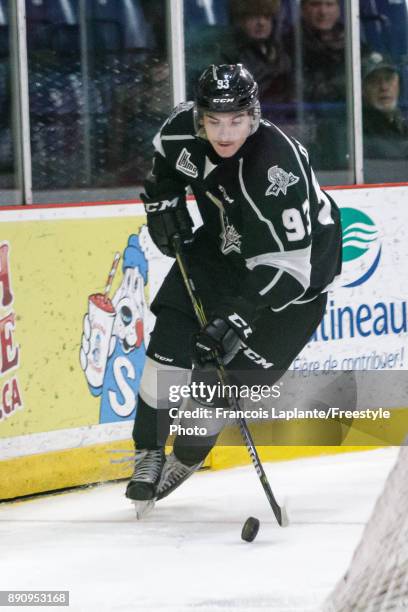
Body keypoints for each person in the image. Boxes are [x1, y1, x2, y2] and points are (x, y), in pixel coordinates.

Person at [125, 64, 342, 515]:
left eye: (237, 121)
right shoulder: (183, 129)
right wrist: (162, 199)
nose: (224, 133)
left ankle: (186, 456)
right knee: (165, 354)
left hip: (292, 286)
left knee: (219, 391)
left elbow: (290, 269)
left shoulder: (275, 168)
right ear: (200, 116)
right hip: (222, 250)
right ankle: (147, 451)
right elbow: (164, 161)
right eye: (214, 121)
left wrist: (237, 317)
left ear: (255, 116)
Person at [220, 0, 292, 105]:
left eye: (267, 17)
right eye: (254, 17)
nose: (261, 23)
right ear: (239, 20)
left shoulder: (280, 53)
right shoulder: (229, 54)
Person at [284, 0, 346, 104]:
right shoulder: (288, 45)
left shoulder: (353, 43)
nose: (323, 12)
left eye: (329, 4)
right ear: (303, 9)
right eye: (315, 4)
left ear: (339, 10)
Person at [362, 52, 408, 161]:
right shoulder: (360, 128)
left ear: (398, 84)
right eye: (374, 81)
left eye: (388, 79)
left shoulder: (402, 120)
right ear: (362, 89)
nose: (384, 87)